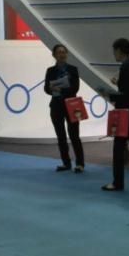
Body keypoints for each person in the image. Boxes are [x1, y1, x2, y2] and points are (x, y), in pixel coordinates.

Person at [100, 38, 129, 192]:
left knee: (118, 149)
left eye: (114, 51)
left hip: (123, 112)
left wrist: (109, 94)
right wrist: (118, 84)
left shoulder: (125, 67)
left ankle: (117, 182)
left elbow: (125, 95)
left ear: (119, 50)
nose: (114, 54)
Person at [43, 44, 85, 173]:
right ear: (54, 55)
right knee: (60, 136)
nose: (61, 54)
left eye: (63, 52)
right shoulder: (50, 70)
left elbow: (75, 88)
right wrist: (52, 89)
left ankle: (80, 163)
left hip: (72, 105)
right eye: (59, 52)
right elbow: (46, 88)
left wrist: (61, 89)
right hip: (56, 106)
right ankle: (66, 163)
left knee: (74, 135)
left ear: (67, 54)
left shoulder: (73, 69)